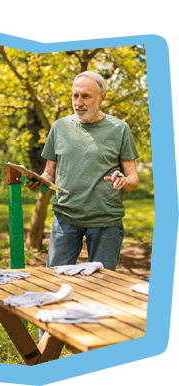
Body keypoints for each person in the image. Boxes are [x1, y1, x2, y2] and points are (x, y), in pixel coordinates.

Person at [26, 71, 140, 271]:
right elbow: (49, 173)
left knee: (101, 287)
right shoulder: (59, 127)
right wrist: (39, 180)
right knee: (55, 281)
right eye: (75, 96)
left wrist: (123, 181)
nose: (78, 102)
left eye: (86, 96)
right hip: (65, 219)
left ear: (102, 98)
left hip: (106, 222)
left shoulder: (119, 129)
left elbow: (133, 179)